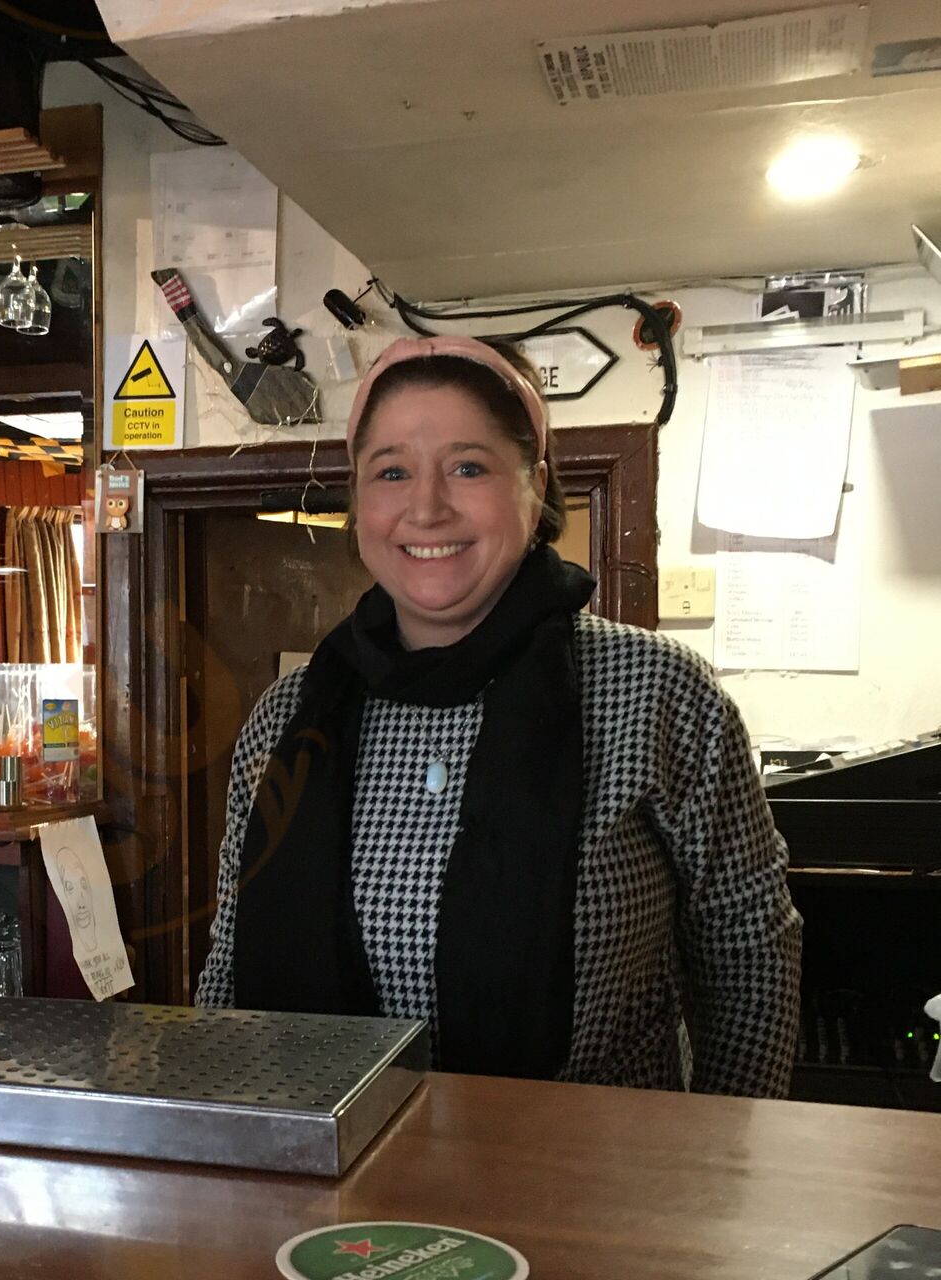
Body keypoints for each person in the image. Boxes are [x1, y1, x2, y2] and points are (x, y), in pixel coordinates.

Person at [196, 335, 801, 1095]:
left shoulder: (659, 693)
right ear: (358, 499)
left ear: (535, 486)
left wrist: (725, 1150)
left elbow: (749, 951)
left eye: (468, 467)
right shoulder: (288, 717)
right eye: (391, 471)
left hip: (599, 1163)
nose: (426, 507)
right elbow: (232, 961)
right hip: (333, 1160)